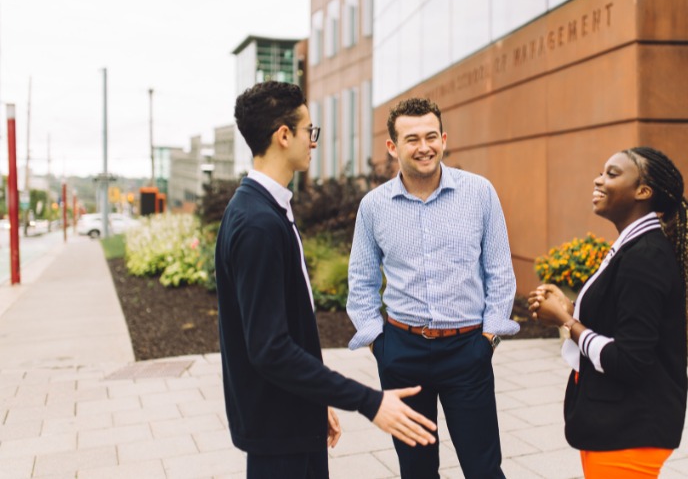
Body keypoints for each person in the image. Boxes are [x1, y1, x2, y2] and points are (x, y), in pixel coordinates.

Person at [216, 81, 436, 479]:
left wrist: (315, 401)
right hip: (276, 431)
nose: (312, 142)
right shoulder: (256, 224)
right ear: (284, 135)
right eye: (308, 131)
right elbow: (270, 349)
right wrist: (369, 402)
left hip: (292, 418)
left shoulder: (266, 209)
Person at [346, 97, 518, 478]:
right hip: (401, 353)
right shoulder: (374, 206)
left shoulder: (479, 193)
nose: (423, 147)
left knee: (484, 468)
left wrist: (487, 337)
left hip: (467, 349)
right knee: (417, 470)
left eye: (430, 136)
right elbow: (361, 281)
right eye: (411, 139)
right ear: (393, 147)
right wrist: (380, 344)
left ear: (444, 139)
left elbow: (500, 271)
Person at [529, 146, 688, 478]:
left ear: (643, 191)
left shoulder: (644, 257)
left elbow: (629, 361)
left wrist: (565, 321)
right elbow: (622, 321)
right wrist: (569, 307)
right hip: (616, 424)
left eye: (612, 174)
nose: (598, 179)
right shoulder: (633, 247)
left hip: (630, 431)